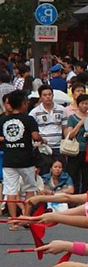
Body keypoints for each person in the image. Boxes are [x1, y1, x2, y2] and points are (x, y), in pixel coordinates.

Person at [2, 91, 42, 225]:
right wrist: (41, 139)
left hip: (9, 160)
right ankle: (26, 217)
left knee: (10, 190)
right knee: (30, 188)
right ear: (23, 104)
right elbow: (35, 137)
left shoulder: (3, 120)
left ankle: (13, 220)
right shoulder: (29, 119)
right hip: (26, 159)